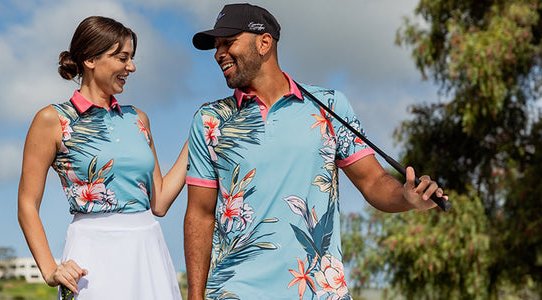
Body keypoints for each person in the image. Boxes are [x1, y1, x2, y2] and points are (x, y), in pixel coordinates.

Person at [184, 3, 447, 300]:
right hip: (235, 292)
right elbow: (199, 214)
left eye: (228, 42)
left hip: (318, 291)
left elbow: (373, 181)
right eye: (216, 46)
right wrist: (195, 296)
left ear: (264, 43)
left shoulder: (330, 107)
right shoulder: (210, 120)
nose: (218, 53)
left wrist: (406, 197)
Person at [18, 16, 186, 300]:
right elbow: (27, 203)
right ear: (90, 59)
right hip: (91, 255)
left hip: (147, 251)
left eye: (131, 58)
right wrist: (50, 269)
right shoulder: (52, 120)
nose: (131, 67)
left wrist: (198, 138)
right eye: (122, 58)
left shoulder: (138, 119)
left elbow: (159, 202)